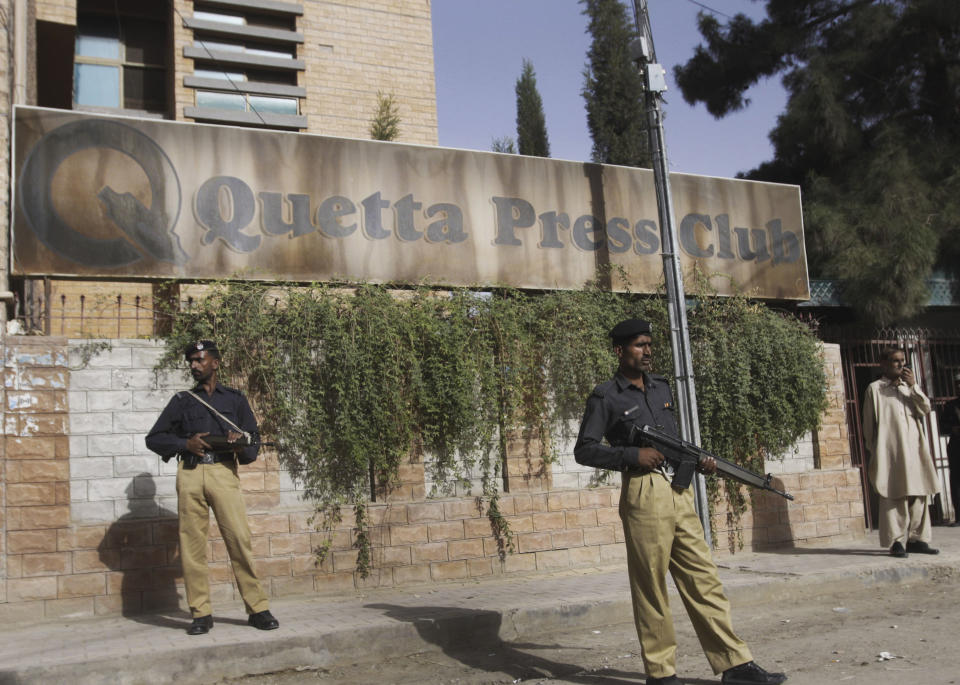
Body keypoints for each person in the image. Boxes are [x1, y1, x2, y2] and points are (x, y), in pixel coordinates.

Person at [574, 319, 786, 685]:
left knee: (704, 579)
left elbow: (673, 440)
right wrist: (630, 455)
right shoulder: (606, 396)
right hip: (643, 492)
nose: (648, 351)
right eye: (640, 345)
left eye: (649, 345)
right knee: (652, 587)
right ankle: (661, 673)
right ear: (619, 351)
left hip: (678, 491)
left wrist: (697, 462)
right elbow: (585, 450)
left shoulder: (660, 387)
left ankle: (735, 665)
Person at [146, 340, 279, 635]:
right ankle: (201, 613)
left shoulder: (235, 400)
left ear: (215, 363)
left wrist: (237, 444)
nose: (194, 365)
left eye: (199, 359)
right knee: (192, 545)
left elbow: (252, 446)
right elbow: (153, 438)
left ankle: (258, 608)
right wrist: (185, 443)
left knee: (239, 539)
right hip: (191, 473)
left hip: (222, 471)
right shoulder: (182, 401)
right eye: (190, 361)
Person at [861, 346, 940, 557]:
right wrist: (876, 451)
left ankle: (917, 539)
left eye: (902, 360)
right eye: (895, 361)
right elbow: (868, 427)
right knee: (893, 495)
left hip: (915, 450)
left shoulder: (910, 387)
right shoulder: (875, 389)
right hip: (891, 453)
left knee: (919, 493)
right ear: (884, 364)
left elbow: (925, 409)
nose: (900, 364)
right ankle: (896, 541)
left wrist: (914, 387)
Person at [937, 371, 960, 526]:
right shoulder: (950, 405)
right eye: (957, 384)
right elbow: (942, 426)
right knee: (956, 481)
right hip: (956, 446)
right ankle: (959, 516)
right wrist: (952, 429)